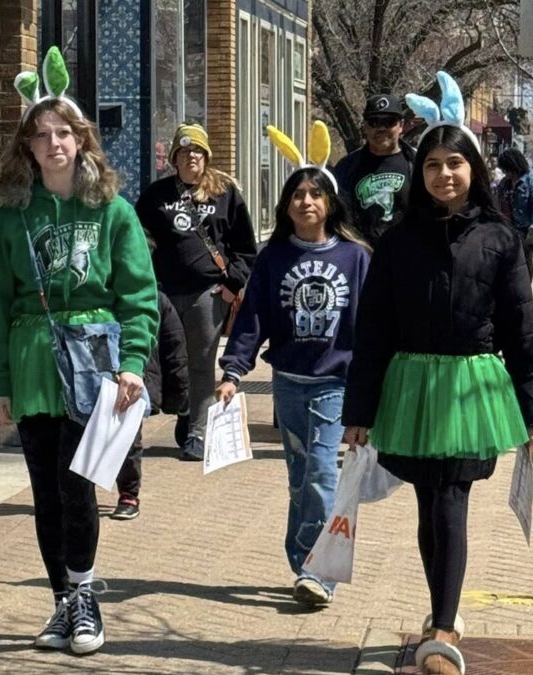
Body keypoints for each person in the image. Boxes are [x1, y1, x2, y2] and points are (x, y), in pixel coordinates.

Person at [342, 72, 533, 675]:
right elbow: (374, 329)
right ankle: (444, 613)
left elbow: (521, 328)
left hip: (472, 386)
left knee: (449, 501)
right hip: (411, 386)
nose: (444, 175)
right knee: (429, 504)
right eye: (432, 164)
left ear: (474, 170)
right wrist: (359, 412)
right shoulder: (400, 241)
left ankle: (443, 627)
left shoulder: (499, 237)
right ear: (420, 173)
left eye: (454, 163)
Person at [0, 47, 158, 655]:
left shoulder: (114, 212)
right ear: (27, 147)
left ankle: (83, 598)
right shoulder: (12, 218)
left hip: (93, 362)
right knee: (45, 492)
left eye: (64, 133)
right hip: (30, 364)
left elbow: (138, 295)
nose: (53, 144)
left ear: (82, 141)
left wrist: (133, 363)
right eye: (41, 135)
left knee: (78, 485)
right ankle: (62, 601)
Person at [217, 123, 370, 607]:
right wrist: (232, 372)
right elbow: (253, 318)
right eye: (298, 194)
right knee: (300, 477)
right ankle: (303, 558)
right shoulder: (273, 257)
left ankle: (316, 572)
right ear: (286, 205)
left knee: (322, 475)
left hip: (334, 386)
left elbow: (370, 328)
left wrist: (372, 389)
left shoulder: (355, 257)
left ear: (331, 203)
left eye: (316, 194)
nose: (306, 202)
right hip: (288, 384)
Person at [135, 123, 257, 460]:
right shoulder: (155, 196)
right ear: (174, 157)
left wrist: (233, 283)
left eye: (198, 151)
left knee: (202, 362)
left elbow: (245, 247)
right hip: (165, 293)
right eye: (185, 151)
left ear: (207, 157)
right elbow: (137, 243)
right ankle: (186, 411)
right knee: (169, 360)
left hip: (208, 292)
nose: (192, 156)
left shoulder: (225, 193)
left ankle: (199, 434)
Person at [111, 289, 189, 520]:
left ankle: (128, 493)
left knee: (128, 438)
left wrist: (176, 397)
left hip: (135, 378)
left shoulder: (154, 297)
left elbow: (174, 346)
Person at [332, 94, 416, 247]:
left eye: (389, 122)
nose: (382, 128)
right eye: (374, 122)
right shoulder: (346, 168)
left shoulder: (417, 163)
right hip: (361, 257)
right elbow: (336, 216)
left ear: (401, 126)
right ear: (365, 127)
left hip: (406, 257)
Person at [496, 148, 533, 279]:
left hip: (524, 228)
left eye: (507, 169)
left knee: (525, 261)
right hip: (507, 227)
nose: (506, 173)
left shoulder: (531, 181)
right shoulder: (505, 183)